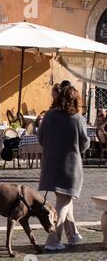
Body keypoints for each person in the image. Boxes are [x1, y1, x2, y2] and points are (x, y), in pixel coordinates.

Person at [38, 86, 90, 251]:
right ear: (75, 101)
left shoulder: (49, 115)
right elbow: (84, 144)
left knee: (65, 200)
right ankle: (52, 240)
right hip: (70, 167)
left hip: (51, 165)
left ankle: (72, 234)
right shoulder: (77, 119)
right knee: (63, 203)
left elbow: (40, 138)